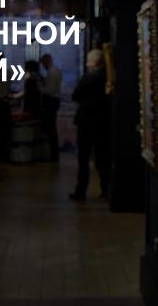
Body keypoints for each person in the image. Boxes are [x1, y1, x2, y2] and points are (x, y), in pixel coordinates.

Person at [69, 49, 110, 200]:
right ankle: (106, 188)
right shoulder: (106, 76)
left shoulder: (89, 77)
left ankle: (81, 190)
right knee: (102, 156)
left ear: (94, 61)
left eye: (88, 60)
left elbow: (75, 95)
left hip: (86, 120)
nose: (86, 63)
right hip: (102, 120)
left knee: (83, 157)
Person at [40, 54, 62, 162]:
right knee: (51, 128)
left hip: (51, 101)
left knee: (50, 128)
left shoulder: (52, 72)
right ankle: (53, 154)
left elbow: (50, 90)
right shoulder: (55, 71)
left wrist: (39, 88)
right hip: (54, 101)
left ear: (46, 61)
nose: (42, 65)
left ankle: (53, 154)